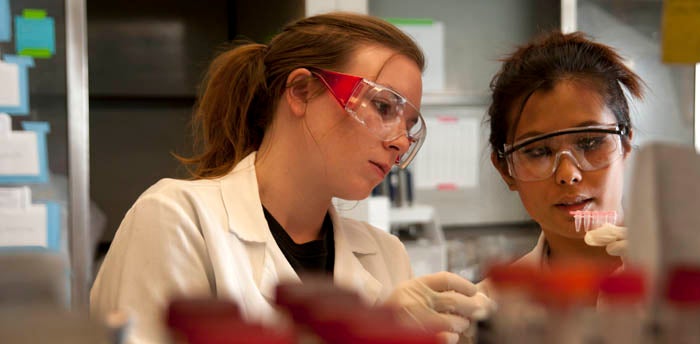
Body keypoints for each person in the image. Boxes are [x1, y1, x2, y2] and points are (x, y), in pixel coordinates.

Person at [90, 12, 489, 344]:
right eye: (383, 106)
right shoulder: (177, 220)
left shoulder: (384, 256)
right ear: (300, 91)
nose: (400, 141)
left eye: (410, 124)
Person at [485, 30, 644, 275]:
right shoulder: (491, 307)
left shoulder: (698, 284)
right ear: (506, 170)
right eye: (538, 151)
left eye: (590, 143)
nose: (568, 174)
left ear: (625, 146)